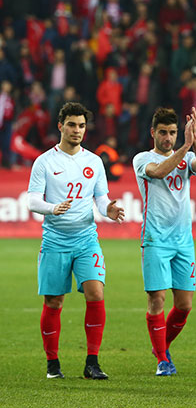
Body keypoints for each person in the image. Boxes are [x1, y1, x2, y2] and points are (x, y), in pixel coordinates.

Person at [27, 102, 125, 380]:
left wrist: (109, 210)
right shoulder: (45, 161)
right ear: (60, 126)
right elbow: (32, 199)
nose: (77, 130)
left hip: (86, 238)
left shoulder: (94, 161)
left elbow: (102, 198)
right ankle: (52, 363)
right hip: (55, 240)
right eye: (72, 124)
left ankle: (92, 362)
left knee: (96, 292)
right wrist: (51, 207)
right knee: (54, 301)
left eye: (81, 125)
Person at [132, 107, 196, 376]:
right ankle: (163, 361)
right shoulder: (142, 158)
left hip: (183, 241)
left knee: (184, 305)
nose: (168, 137)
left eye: (173, 133)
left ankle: (160, 347)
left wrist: (194, 139)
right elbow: (157, 173)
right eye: (163, 132)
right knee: (157, 299)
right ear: (153, 132)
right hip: (155, 239)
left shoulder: (186, 155)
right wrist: (184, 147)